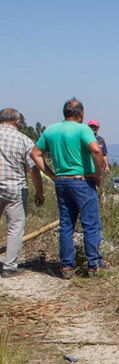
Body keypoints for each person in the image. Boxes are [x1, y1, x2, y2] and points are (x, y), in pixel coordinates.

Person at [30, 98, 106, 279]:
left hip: (62, 182)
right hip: (82, 181)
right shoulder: (83, 129)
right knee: (91, 224)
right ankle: (94, 265)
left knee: (66, 225)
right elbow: (96, 150)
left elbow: (35, 153)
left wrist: (51, 174)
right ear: (81, 113)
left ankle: (66, 266)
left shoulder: (50, 130)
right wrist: (98, 174)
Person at [0, 108, 45, 278]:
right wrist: (39, 192)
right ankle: (9, 267)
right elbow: (33, 169)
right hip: (15, 189)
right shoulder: (24, 140)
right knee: (15, 227)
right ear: (17, 122)